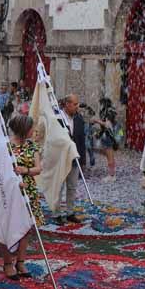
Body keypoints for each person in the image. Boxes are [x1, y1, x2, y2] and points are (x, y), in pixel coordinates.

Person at [3, 114, 43, 280]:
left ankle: (20, 261)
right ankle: (7, 263)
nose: (33, 131)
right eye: (31, 128)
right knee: (9, 226)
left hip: (28, 190)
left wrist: (25, 171)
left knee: (26, 227)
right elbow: (0, 168)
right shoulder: (6, 146)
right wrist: (13, 177)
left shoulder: (32, 146)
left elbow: (38, 168)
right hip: (10, 191)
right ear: (23, 129)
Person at [52, 94, 86, 224]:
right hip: (60, 158)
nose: (77, 107)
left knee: (72, 186)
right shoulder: (57, 118)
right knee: (59, 187)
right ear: (67, 104)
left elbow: (82, 139)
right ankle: (57, 214)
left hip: (74, 157)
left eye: (77, 104)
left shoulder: (78, 118)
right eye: (75, 104)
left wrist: (83, 160)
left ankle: (70, 212)